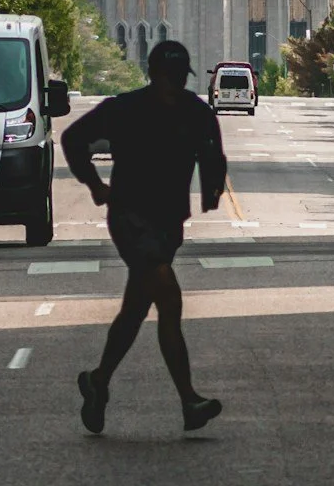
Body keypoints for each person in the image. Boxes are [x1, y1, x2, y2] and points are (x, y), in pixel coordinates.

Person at [61, 39, 228, 435]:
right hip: (130, 219)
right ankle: (189, 400)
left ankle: (97, 382)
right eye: (169, 78)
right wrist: (93, 184)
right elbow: (72, 140)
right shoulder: (124, 109)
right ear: (153, 74)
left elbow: (213, 154)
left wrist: (212, 192)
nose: (175, 86)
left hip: (169, 223)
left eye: (179, 79)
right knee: (169, 300)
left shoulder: (197, 112)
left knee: (135, 311)